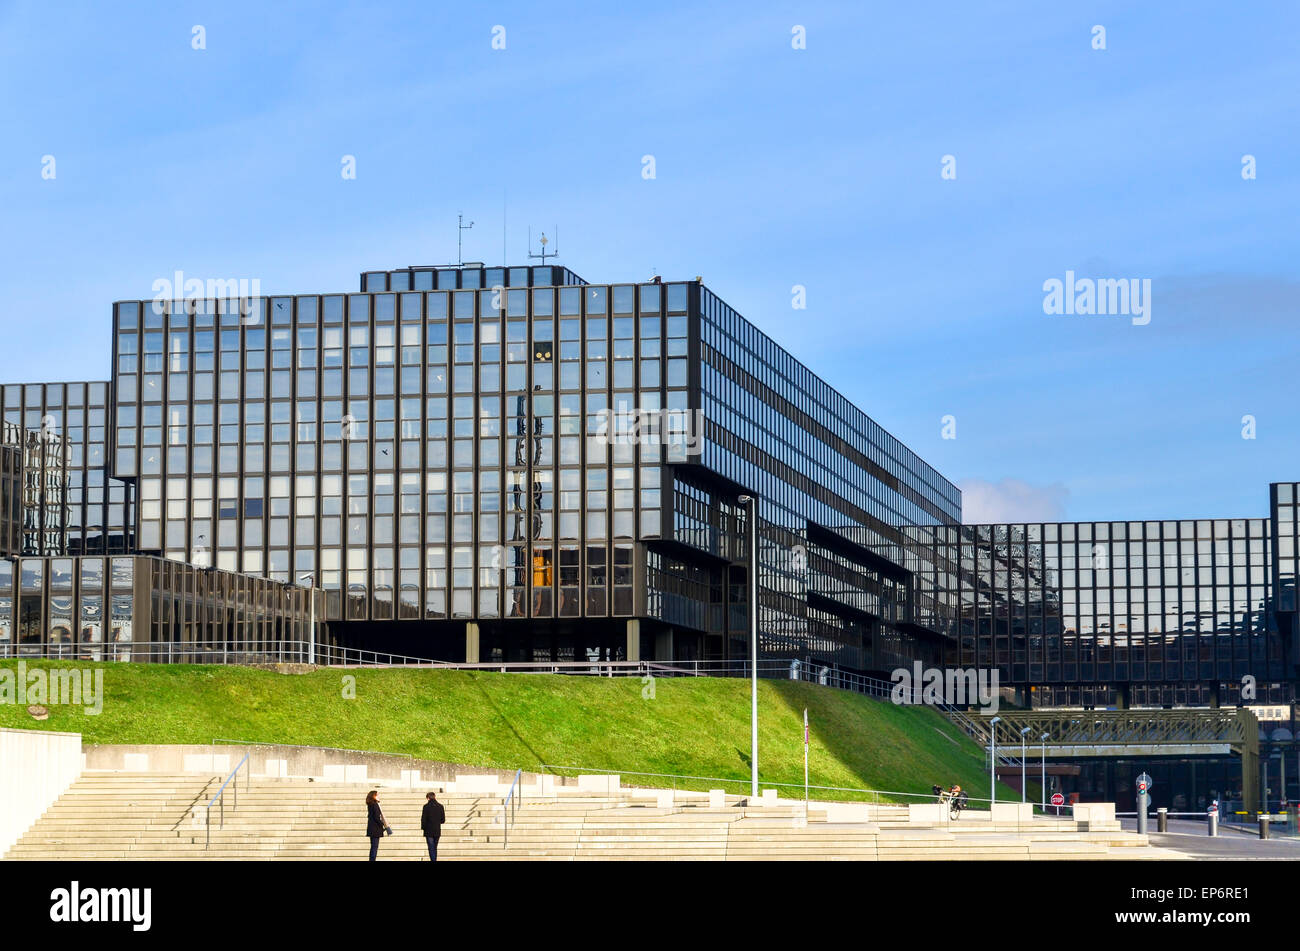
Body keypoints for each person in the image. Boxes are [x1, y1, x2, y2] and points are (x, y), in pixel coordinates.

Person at [365, 790, 391, 861]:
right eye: (377, 795)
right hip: (375, 830)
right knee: (374, 847)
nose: (378, 796)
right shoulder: (375, 805)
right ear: (373, 796)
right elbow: (377, 817)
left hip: (371, 829)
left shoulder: (370, 804)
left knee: (373, 847)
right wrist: (383, 824)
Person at [421, 791, 446, 861]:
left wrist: (423, 828)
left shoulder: (426, 807)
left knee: (431, 848)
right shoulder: (440, 806)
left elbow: (423, 819)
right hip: (437, 830)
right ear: (435, 797)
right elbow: (443, 820)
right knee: (434, 847)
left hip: (428, 831)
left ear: (428, 798)